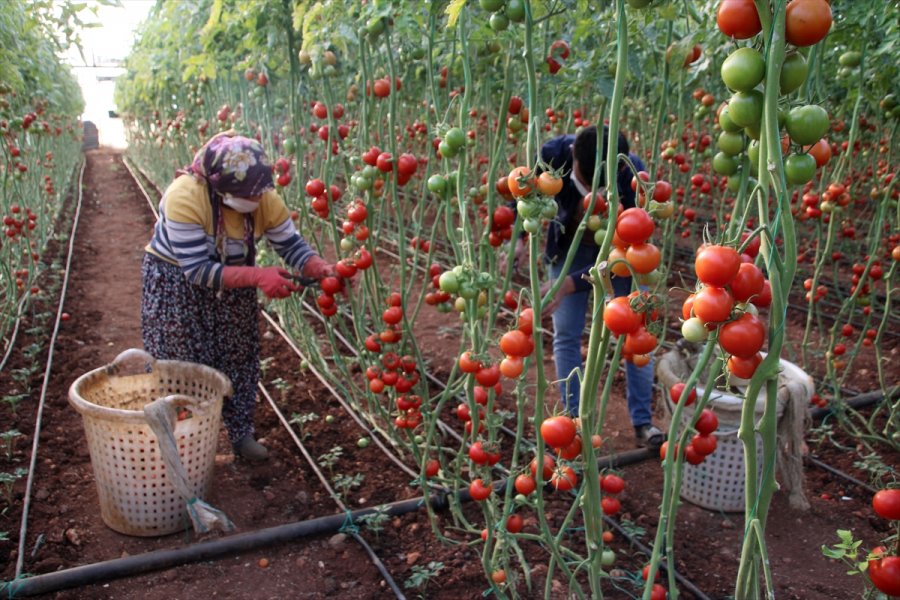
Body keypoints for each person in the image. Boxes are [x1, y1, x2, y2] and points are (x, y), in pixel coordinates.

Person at [141, 132, 333, 462]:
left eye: (260, 193)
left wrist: (317, 266)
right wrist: (260, 276)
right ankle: (181, 445)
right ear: (220, 187)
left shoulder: (262, 196)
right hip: (177, 283)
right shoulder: (185, 196)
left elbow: (289, 244)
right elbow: (198, 271)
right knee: (180, 359)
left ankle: (241, 434)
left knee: (239, 353)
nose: (257, 200)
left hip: (235, 275)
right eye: (248, 195)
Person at [508, 125, 663, 448]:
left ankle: (643, 423)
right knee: (566, 332)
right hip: (568, 245)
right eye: (584, 180)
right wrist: (518, 238)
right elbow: (523, 196)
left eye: (601, 185)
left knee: (635, 334)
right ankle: (574, 420)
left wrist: (569, 283)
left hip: (620, 249)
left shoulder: (632, 178)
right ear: (573, 157)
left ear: (619, 169)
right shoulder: (552, 157)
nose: (592, 190)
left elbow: (626, 259)